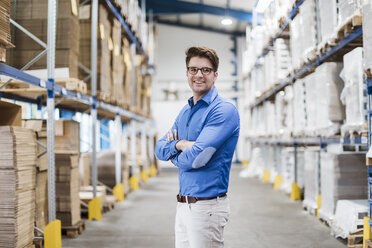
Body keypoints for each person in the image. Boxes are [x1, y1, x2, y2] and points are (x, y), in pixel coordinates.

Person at [155, 46, 240, 248]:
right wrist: (181, 144)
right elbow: (159, 148)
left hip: (207, 208)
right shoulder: (186, 111)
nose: (198, 75)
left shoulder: (223, 110)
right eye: (193, 69)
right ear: (187, 73)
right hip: (183, 206)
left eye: (205, 70)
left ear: (215, 75)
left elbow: (198, 158)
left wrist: (174, 156)